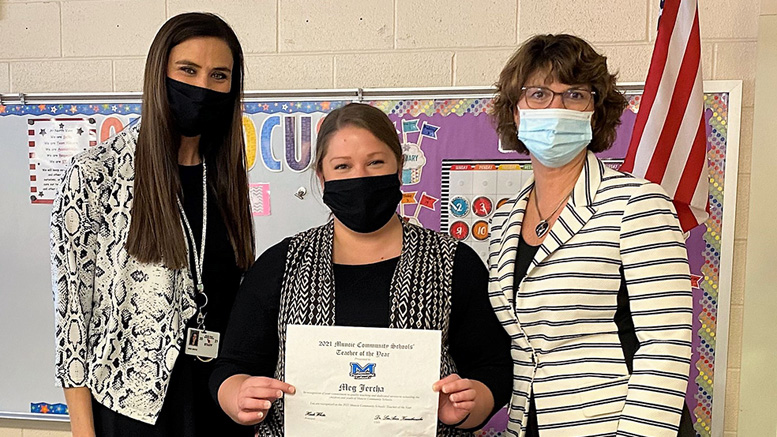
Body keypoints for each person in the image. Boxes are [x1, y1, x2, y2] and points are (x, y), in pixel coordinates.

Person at [210, 103, 512, 436]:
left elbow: (493, 368)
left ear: (399, 168)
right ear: (322, 178)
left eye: (375, 162)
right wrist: (238, 394)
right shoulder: (280, 265)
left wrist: (469, 407)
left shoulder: (454, 263)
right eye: (342, 166)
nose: (360, 177)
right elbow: (233, 366)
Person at [50, 13, 255, 437]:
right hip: (134, 413)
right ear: (158, 73)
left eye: (219, 75)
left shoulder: (224, 177)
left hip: (218, 406)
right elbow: (73, 320)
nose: (202, 87)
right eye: (187, 70)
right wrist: (83, 432)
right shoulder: (96, 174)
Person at [489, 34, 694, 436]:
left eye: (575, 95)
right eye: (539, 95)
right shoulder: (505, 218)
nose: (557, 108)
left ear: (596, 113)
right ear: (516, 113)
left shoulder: (638, 202)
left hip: (619, 427)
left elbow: (664, 346)